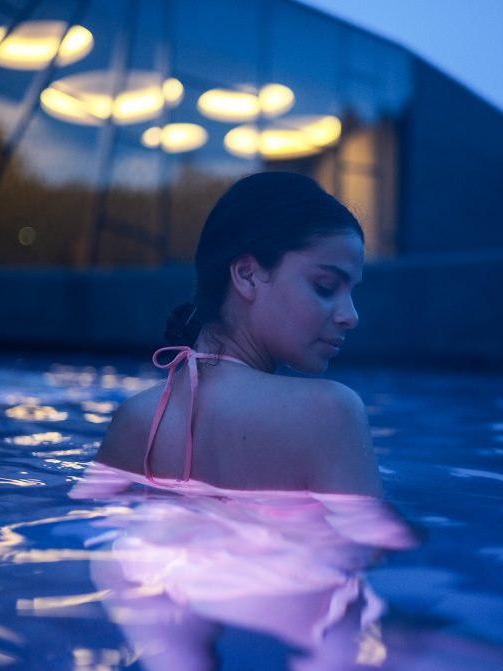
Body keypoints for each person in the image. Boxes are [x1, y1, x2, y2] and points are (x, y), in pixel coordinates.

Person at [69, 172, 414, 670]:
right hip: (292, 611)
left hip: (150, 590)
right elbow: (373, 550)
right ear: (247, 274)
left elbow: (87, 530)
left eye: (351, 293)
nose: (350, 315)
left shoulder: (135, 416)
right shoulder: (330, 411)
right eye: (326, 287)